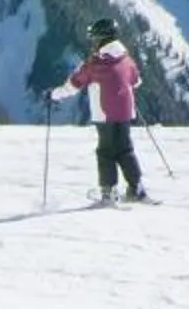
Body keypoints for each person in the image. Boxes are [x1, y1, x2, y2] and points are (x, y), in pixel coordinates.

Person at [52, 18, 146, 205]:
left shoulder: (96, 63)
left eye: (94, 37)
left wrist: (55, 95)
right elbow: (136, 81)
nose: (93, 41)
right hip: (126, 112)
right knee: (125, 149)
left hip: (105, 114)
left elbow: (75, 83)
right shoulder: (126, 59)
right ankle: (136, 188)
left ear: (101, 38)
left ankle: (108, 192)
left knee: (106, 152)